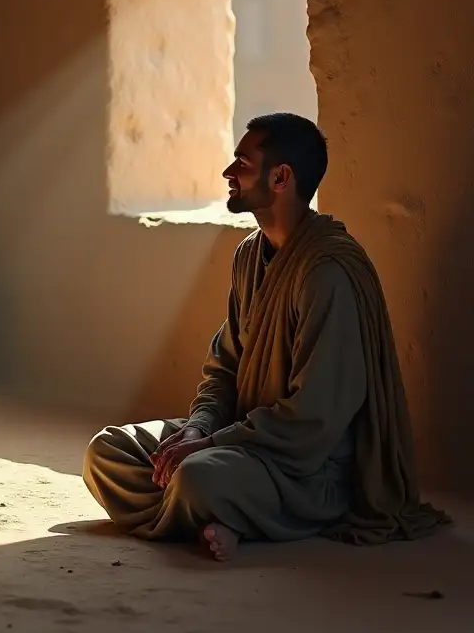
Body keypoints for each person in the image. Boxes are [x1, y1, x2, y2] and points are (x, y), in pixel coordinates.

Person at [83, 113, 448, 561]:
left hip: (306, 469)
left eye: (241, 163)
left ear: (280, 177)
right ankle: (225, 518)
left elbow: (314, 417)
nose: (228, 174)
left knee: (199, 478)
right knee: (107, 451)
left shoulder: (327, 272)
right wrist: (199, 427)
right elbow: (225, 366)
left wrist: (211, 445)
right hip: (239, 441)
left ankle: (224, 511)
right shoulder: (249, 255)